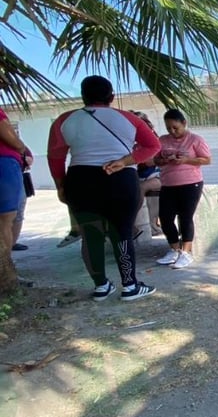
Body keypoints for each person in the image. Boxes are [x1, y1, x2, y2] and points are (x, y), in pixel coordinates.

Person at [47, 76, 161, 302]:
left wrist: (60, 185)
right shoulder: (128, 118)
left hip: (80, 181)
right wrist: (127, 160)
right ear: (111, 97)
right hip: (119, 179)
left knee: (91, 236)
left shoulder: (64, 120)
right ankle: (130, 286)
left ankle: (101, 286)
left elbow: (55, 157)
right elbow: (153, 146)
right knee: (122, 232)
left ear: (83, 96)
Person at [154, 109, 212, 269]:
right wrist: (163, 159)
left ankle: (186, 253)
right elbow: (155, 160)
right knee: (165, 218)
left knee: (185, 217)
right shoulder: (163, 140)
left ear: (184, 123)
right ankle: (174, 249)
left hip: (191, 184)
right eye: (168, 128)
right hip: (168, 184)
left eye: (175, 127)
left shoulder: (195, 140)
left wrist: (186, 160)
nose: (172, 131)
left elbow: (207, 160)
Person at [0, 109, 29, 280]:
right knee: (6, 218)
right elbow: (10, 137)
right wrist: (21, 147)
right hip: (4, 163)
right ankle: (6, 271)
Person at [132, 111, 162, 238]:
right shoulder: (131, 142)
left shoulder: (153, 140)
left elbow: (150, 162)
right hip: (141, 176)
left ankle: (131, 222)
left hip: (159, 176)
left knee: (142, 187)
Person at [12, 146, 33, 251]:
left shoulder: (16, 143)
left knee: (18, 212)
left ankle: (12, 243)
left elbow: (29, 157)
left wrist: (26, 160)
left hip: (17, 178)